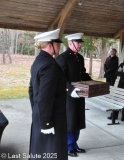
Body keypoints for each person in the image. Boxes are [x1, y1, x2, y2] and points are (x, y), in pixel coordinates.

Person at [28, 28, 68, 159]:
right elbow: (46, 96)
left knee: (40, 152)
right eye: (58, 44)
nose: (59, 47)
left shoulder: (38, 61)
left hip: (42, 115)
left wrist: (37, 110)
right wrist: (46, 122)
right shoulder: (50, 65)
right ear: (50, 45)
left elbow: (32, 90)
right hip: (51, 119)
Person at [56, 33, 91, 157]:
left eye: (80, 42)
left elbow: (82, 74)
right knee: (70, 121)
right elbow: (60, 79)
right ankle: (68, 147)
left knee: (77, 120)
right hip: (69, 96)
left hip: (79, 95)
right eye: (78, 42)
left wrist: (93, 82)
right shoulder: (62, 58)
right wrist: (71, 89)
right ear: (70, 43)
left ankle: (74, 144)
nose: (80, 44)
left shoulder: (79, 58)